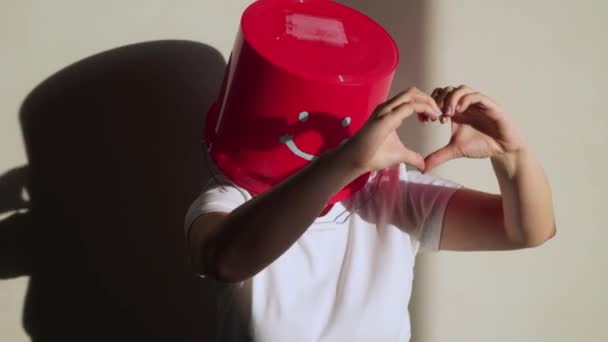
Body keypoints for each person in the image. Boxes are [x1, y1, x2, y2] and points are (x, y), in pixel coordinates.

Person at [184, 84, 556, 341]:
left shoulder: (390, 192)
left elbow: (527, 231)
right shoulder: (233, 199)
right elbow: (223, 261)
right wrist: (343, 164)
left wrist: (512, 154)